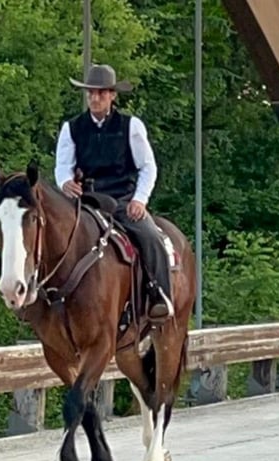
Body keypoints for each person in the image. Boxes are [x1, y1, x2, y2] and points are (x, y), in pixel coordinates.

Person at [54, 63, 174, 324]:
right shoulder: (72, 128)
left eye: (101, 93)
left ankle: (159, 295)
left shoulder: (131, 127)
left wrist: (139, 200)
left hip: (122, 200)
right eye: (91, 94)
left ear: (112, 95)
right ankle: (47, 297)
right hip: (87, 202)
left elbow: (148, 166)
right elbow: (62, 166)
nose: (95, 98)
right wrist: (65, 183)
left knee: (150, 236)